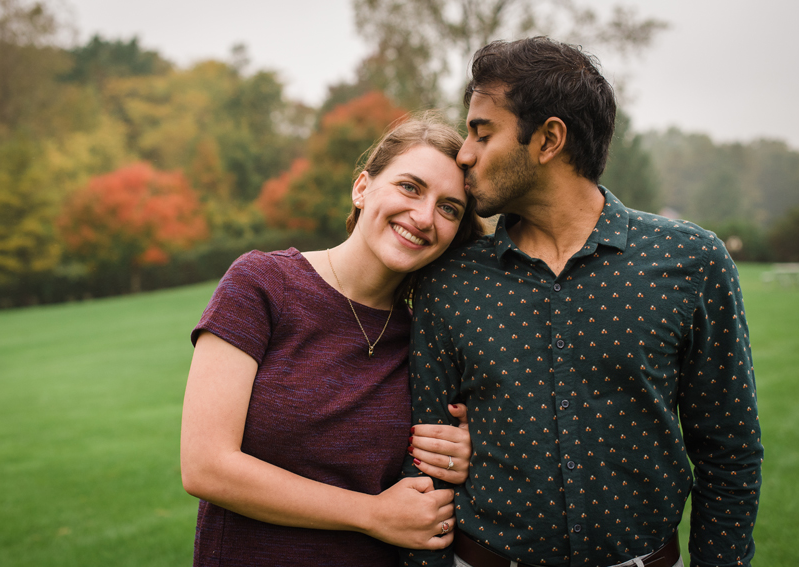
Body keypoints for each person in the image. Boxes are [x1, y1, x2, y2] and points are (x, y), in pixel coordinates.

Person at [400, 37, 763, 567]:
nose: (464, 153)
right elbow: (425, 467)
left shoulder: (691, 261)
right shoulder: (450, 279)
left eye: (483, 131)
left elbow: (729, 454)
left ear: (548, 139)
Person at [180, 114, 486, 567]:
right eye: (409, 187)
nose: (423, 217)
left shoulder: (428, 334)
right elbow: (206, 466)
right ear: (362, 188)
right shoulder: (262, 284)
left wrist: (461, 457)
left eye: (448, 208)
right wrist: (372, 514)